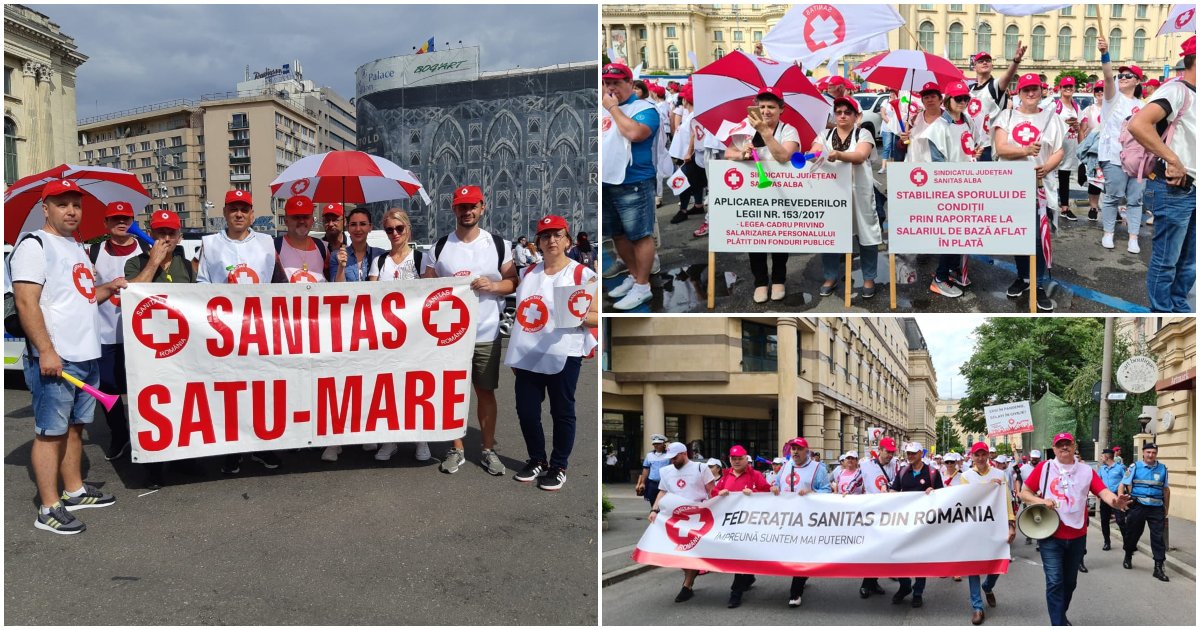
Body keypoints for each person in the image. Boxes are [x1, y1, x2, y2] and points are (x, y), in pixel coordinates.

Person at [9, 180, 125, 534]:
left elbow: (82, 297)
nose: (71, 210)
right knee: (51, 433)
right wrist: (46, 350)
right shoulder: (34, 245)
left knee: (76, 428)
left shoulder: (77, 247)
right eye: (62, 204)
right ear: (46, 209)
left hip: (85, 354)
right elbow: (26, 302)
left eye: (76, 204)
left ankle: (73, 490)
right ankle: (48, 507)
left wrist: (110, 287)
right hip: (57, 358)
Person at [423, 185, 517, 476]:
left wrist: (493, 285)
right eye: (461, 207)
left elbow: (512, 281)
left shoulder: (499, 244)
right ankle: (457, 448)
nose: (467, 211)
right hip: (449, 336)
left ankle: (488, 450)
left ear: (482, 207)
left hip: (486, 333)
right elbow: (425, 290)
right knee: (452, 393)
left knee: (485, 392)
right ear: (453, 210)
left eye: (472, 206)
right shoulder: (438, 248)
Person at [196, 189, 286, 474]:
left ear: (251, 214)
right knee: (230, 393)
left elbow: (278, 285)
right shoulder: (209, 244)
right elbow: (200, 289)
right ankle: (233, 449)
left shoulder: (267, 242)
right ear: (224, 212)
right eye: (233, 208)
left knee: (261, 391)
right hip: (225, 333)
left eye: (243, 209)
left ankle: (263, 446)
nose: (238, 214)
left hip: (260, 331)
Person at [506, 215, 598, 491]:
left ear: (567, 240)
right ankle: (537, 459)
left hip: (564, 352)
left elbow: (596, 315)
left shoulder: (582, 274)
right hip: (528, 353)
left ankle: (559, 465)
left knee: (562, 411)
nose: (552, 240)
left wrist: (574, 315)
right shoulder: (527, 273)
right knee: (527, 411)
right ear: (538, 243)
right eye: (545, 236)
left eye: (558, 235)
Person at [1018, 432, 1132, 626]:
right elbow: (1024, 493)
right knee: (1055, 582)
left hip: (1078, 535)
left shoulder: (1086, 471)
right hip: (1050, 535)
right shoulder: (1045, 468)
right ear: (1054, 449)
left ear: (1074, 446)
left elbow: (1102, 491)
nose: (1064, 447)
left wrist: (1115, 501)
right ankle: (1058, 624)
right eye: (1059, 444)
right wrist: (1042, 501)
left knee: (1070, 583)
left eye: (1067, 444)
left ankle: (1060, 616)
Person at [124, 210, 198, 488]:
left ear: (179, 237)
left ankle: (184, 460)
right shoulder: (134, 263)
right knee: (154, 407)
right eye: (160, 233)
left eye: (171, 233)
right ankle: (154, 466)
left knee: (184, 404)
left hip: (184, 348)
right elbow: (131, 293)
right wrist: (154, 263)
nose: (165, 238)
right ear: (150, 234)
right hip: (150, 349)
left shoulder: (188, 265)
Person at [1128, 35, 1195, 313]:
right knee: (1167, 260)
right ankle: (1162, 312)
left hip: (1192, 188)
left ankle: (1179, 307)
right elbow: (1138, 124)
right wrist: (1173, 160)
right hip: (1174, 187)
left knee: (1189, 262)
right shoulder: (1177, 91)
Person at [360, 208, 431, 463]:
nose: (394, 234)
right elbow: (371, 295)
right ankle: (389, 440)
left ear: (408, 229)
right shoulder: (380, 261)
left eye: (399, 229)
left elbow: (431, 295)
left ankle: (421, 438)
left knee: (416, 387)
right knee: (387, 388)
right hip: (386, 337)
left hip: (416, 335)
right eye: (389, 229)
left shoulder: (422, 258)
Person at [993, 73, 1065, 312]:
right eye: (1026, 90)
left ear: (1041, 91)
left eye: (1035, 89)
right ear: (1019, 92)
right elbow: (1001, 148)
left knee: (1037, 237)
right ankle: (1024, 278)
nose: (1031, 94)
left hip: (1039, 186)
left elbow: (1059, 150)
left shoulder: (1051, 118)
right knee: (1018, 235)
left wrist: (1047, 167)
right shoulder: (1007, 116)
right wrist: (1024, 150)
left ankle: (1039, 283)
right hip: (1012, 186)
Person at [725, 87, 801, 303]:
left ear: (781, 110)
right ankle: (760, 282)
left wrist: (765, 133)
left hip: (781, 191)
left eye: (771, 107)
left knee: (779, 235)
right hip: (753, 192)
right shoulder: (746, 128)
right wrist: (742, 153)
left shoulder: (789, 131)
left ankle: (778, 279)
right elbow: (728, 152)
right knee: (755, 235)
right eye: (762, 106)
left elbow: (783, 156)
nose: (766, 111)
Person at [811, 96, 883, 300]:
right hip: (831, 192)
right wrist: (813, 154)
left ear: (856, 116)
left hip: (859, 192)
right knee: (830, 234)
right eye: (839, 112)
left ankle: (869, 277)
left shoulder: (864, 133)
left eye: (847, 112)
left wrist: (839, 155)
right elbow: (814, 151)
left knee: (866, 233)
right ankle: (830, 276)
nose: (842, 115)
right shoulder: (824, 134)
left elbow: (860, 156)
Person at [89, 201, 145, 462]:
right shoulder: (94, 251)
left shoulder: (145, 248)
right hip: (104, 334)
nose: (120, 223)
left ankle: (142, 433)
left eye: (125, 218)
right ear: (106, 224)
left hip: (140, 335)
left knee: (139, 387)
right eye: (114, 219)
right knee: (108, 390)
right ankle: (119, 433)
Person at [602, 62, 660, 311]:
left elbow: (635, 134)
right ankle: (636, 277)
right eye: (607, 83)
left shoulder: (645, 108)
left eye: (616, 82)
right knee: (618, 234)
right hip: (607, 179)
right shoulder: (603, 109)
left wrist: (613, 108)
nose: (611, 87)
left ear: (629, 83)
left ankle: (643, 286)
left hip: (634, 181)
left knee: (639, 235)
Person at [921, 79, 982, 298]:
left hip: (968, 184)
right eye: (958, 98)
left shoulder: (967, 121)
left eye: (966, 98)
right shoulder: (939, 127)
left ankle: (951, 271)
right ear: (948, 100)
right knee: (952, 234)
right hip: (951, 187)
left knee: (962, 233)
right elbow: (938, 163)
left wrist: (975, 153)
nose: (963, 102)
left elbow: (971, 147)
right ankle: (939, 277)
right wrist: (952, 182)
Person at [954, 442, 1017, 625]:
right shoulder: (966, 476)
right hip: (974, 527)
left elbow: (1006, 500)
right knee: (973, 567)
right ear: (972, 457)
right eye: (977, 455)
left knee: (998, 561)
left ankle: (988, 586)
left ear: (988, 456)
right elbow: (966, 499)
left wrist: (1011, 524)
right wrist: (986, 487)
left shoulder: (999, 474)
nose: (980, 458)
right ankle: (977, 606)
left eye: (983, 454)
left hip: (995, 526)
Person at [1097, 36, 1147, 253]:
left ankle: (1133, 237)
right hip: (1114, 156)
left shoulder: (1144, 105)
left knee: (1135, 199)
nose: (1123, 77)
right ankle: (1108, 232)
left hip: (1139, 160)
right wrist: (1105, 54)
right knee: (1113, 196)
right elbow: (1108, 77)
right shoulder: (1112, 98)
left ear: (1137, 81)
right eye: (1122, 75)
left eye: (1129, 75)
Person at [649, 441, 716, 602]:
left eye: (675, 457)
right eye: (670, 458)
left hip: (698, 517)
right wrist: (654, 509)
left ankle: (687, 585)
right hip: (675, 517)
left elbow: (712, 491)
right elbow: (662, 492)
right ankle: (689, 578)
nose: (672, 460)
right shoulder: (666, 471)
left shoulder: (701, 468)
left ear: (684, 453)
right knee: (677, 551)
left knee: (690, 550)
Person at [771, 437, 831, 608]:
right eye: (793, 449)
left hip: (807, 519)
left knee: (800, 552)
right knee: (790, 551)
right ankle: (802, 576)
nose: (795, 452)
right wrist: (774, 488)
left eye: (799, 449)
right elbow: (776, 484)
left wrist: (812, 492)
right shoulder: (785, 466)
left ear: (807, 451)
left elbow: (826, 490)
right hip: (786, 518)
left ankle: (795, 592)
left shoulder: (818, 468)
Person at [713, 444, 772, 608]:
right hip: (730, 524)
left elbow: (770, 494)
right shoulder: (725, 476)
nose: (737, 461)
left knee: (740, 555)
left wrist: (755, 494)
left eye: (740, 458)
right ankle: (748, 576)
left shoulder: (756, 475)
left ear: (746, 459)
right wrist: (719, 493)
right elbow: (713, 494)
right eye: (734, 459)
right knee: (737, 554)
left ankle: (735, 592)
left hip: (751, 523)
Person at [890, 441, 944, 607]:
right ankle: (905, 586)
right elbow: (894, 490)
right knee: (900, 557)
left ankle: (918, 592)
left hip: (924, 524)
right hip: (904, 522)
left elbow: (943, 496)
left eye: (913, 453)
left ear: (922, 453)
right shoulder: (902, 471)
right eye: (908, 453)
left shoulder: (933, 473)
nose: (910, 456)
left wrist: (933, 492)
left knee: (920, 558)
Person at [1118, 442, 1171, 581]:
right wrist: (1121, 501)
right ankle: (1128, 554)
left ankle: (1158, 567)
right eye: (1148, 452)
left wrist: (1166, 508)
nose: (1151, 455)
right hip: (1138, 506)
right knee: (1132, 534)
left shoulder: (1163, 469)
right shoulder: (1135, 467)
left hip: (1156, 507)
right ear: (1143, 453)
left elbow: (1166, 490)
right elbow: (1122, 484)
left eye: (1153, 452)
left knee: (1158, 538)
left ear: (1156, 454)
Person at [856, 436, 899, 598]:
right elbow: (856, 480)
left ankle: (872, 583)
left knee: (881, 549)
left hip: (888, 513)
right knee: (871, 549)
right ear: (880, 450)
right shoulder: (866, 465)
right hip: (870, 512)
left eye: (892, 452)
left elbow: (897, 482)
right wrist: (844, 493)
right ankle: (868, 584)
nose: (890, 455)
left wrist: (886, 486)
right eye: (887, 451)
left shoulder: (896, 465)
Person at [967, 45, 1025, 161]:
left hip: (989, 145)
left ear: (992, 66)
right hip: (971, 143)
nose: (985, 63)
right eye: (981, 61)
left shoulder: (994, 86)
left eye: (988, 61)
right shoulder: (969, 89)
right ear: (974, 67)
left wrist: (1016, 61)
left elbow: (1008, 76)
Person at [668, 85, 704, 225]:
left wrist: (689, 152)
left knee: (683, 181)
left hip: (692, 156)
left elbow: (695, 135)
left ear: (685, 101)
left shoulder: (694, 116)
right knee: (696, 181)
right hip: (690, 154)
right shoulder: (691, 114)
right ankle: (698, 205)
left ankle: (683, 210)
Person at [277, 196, 328, 283]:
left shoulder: (323, 247)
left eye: (305, 217)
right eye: (296, 217)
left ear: (312, 220)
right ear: (286, 220)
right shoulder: (274, 247)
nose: (301, 221)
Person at [1054, 77, 1083, 222]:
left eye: (1070, 86)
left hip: (1070, 146)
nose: (1068, 89)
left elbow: (1081, 128)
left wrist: (1077, 127)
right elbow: (1049, 125)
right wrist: (1064, 124)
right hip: (1056, 147)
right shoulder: (1055, 106)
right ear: (1060, 88)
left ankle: (1064, 207)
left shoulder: (1076, 107)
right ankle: (1049, 205)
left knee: (1065, 177)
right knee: (1050, 177)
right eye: (1065, 86)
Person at [331, 206, 383, 284]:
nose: (358, 229)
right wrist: (341, 267)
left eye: (362, 224)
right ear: (348, 228)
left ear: (370, 227)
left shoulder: (381, 255)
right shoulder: (336, 256)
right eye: (353, 224)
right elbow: (336, 290)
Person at [1078, 82, 1106, 221]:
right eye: (1098, 90)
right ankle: (1093, 207)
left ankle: (1110, 208)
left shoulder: (1115, 108)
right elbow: (1082, 130)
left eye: (1103, 90)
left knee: (1111, 181)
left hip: (1110, 150)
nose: (1100, 92)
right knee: (1094, 181)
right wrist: (1083, 149)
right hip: (1094, 151)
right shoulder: (1088, 110)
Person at [1097, 448, 1128, 551]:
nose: (1101, 458)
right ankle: (1107, 542)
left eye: (1102, 456)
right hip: (1105, 497)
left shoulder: (1120, 468)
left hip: (1116, 496)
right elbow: (1098, 481)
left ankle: (1127, 543)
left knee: (1120, 520)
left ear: (1107, 456)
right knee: (1104, 521)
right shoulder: (1102, 469)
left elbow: (1126, 482)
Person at [636, 434, 670, 505]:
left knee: (665, 502)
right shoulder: (649, 455)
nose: (656, 445)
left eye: (658, 444)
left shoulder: (669, 455)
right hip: (652, 483)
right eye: (654, 444)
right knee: (652, 501)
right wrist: (642, 483)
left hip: (665, 483)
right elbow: (646, 469)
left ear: (663, 444)